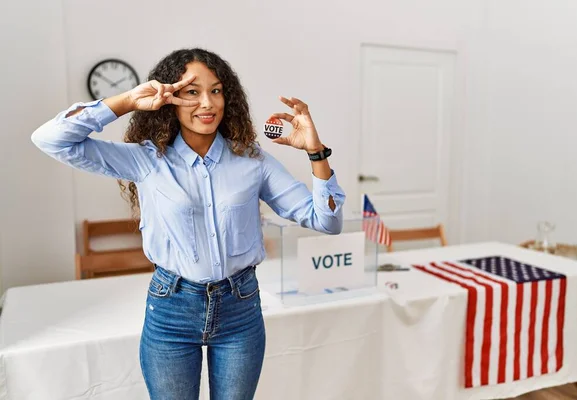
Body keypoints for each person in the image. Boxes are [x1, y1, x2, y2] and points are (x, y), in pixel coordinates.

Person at [31, 48, 345, 400]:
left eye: (216, 90)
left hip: (240, 311)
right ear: (170, 98)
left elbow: (327, 221)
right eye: (192, 92)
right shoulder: (147, 160)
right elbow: (50, 139)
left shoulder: (253, 161)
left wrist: (316, 153)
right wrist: (129, 100)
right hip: (171, 310)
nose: (207, 104)